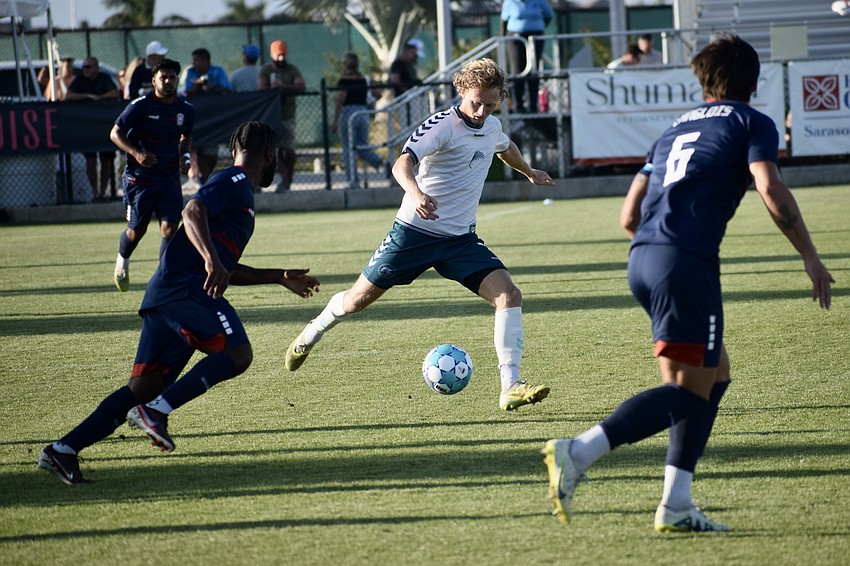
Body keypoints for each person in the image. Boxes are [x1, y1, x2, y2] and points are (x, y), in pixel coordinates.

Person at [542, 34, 834, 533]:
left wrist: (663, 252)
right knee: (689, 392)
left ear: (703, 79)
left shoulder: (672, 129)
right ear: (753, 81)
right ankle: (578, 451)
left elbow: (628, 215)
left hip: (645, 258)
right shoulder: (752, 121)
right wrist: (810, 255)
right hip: (684, 263)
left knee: (714, 376)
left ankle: (676, 504)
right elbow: (770, 188)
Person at [37, 121, 321, 485]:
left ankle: (62, 450)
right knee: (238, 354)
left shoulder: (239, 191)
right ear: (269, 154)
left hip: (168, 294)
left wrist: (278, 276)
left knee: (140, 389)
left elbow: (225, 267)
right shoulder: (233, 180)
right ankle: (157, 412)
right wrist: (211, 261)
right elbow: (192, 211)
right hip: (185, 289)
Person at [284, 58, 555, 412]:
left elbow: (504, 146)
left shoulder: (491, 125)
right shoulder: (442, 126)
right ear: (461, 91)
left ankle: (510, 385)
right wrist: (415, 194)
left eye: (491, 104)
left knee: (508, 295)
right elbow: (402, 163)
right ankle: (311, 333)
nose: (482, 111)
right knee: (356, 302)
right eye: (477, 102)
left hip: (460, 241)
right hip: (414, 233)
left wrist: (529, 171)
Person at [108, 58, 194, 292]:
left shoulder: (185, 109)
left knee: (169, 228)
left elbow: (186, 137)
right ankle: (123, 260)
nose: (168, 81)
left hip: (169, 179)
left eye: (172, 77)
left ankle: (162, 279)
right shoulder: (141, 106)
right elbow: (115, 134)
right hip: (139, 179)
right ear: (154, 80)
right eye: (163, 77)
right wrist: (136, 153)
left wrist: (185, 159)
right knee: (137, 230)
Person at [65, 56, 120, 202]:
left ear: (96, 67)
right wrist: (88, 96)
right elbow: (68, 96)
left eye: (88, 67)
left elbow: (115, 93)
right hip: (88, 129)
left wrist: (100, 97)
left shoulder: (104, 78)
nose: (85, 70)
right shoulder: (79, 81)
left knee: (106, 161)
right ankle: (95, 192)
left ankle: (103, 192)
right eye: (83, 67)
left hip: (104, 127)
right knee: (90, 160)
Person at [257, 40, 305, 192]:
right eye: (278, 55)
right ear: (272, 55)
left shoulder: (292, 69)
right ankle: (284, 180)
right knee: (275, 150)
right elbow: (261, 88)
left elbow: (301, 86)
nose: (281, 59)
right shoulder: (265, 70)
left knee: (289, 150)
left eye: (283, 55)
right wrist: (273, 88)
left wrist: (283, 87)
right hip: (271, 117)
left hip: (287, 116)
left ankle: (288, 179)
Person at [333, 52, 383, 188]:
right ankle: (379, 162)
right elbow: (378, 94)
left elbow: (340, 100)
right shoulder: (364, 80)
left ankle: (353, 180)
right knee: (361, 144)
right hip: (363, 112)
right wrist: (368, 102)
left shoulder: (344, 81)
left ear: (345, 65)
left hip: (348, 113)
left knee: (349, 147)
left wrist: (335, 120)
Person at [183, 48, 232, 184]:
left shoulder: (218, 71)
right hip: (197, 119)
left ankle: (207, 178)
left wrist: (212, 87)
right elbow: (186, 92)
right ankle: (207, 181)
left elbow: (227, 90)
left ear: (205, 61)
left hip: (215, 117)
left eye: (196, 61)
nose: (194, 64)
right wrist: (197, 86)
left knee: (211, 152)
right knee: (198, 148)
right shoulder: (191, 73)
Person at [500, 0, 554, 113]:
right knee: (518, 71)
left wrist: (537, 27)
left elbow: (548, 16)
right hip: (516, 39)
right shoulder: (510, 2)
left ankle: (533, 105)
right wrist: (502, 39)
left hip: (535, 38)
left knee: (534, 71)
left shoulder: (540, 1)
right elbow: (504, 21)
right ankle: (519, 105)